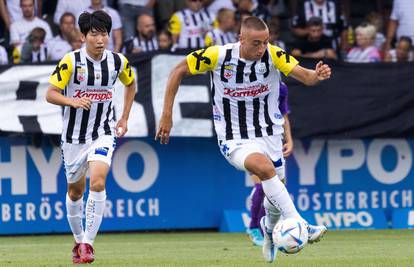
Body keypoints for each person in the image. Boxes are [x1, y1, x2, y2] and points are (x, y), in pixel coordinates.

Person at [156, 16, 330, 263]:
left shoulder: (274, 54)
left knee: (275, 186)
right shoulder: (218, 56)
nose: (262, 49)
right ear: (241, 39)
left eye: (265, 42)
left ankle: (268, 232)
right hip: (233, 136)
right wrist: (166, 114)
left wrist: (318, 74)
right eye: (256, 43)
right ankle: (300, 222)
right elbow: (178, 70)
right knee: (264, 169)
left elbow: (306, 77)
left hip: (270, 133)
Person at [45, 10, 136, 264]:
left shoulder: (118, 62)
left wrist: (125, 117)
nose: (100, 39)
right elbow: (50, 93)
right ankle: (78, 239)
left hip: (103, 132)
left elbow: (131, 84)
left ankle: (88, 245)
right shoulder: (71, 61)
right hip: (74, 136)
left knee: (98, 182)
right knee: (75, 191)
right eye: (94, 34)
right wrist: (71, 101)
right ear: (83, 36)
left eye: (104, 34)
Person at [246, 81, 293, 247]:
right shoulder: (247, 82)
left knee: (276, 188)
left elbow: (283, 115)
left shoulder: (281, 87)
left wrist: (289, 139)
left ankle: (268, 229)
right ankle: (253, 227)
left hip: (273, 141)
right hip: (251, 141)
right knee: (261, 186)